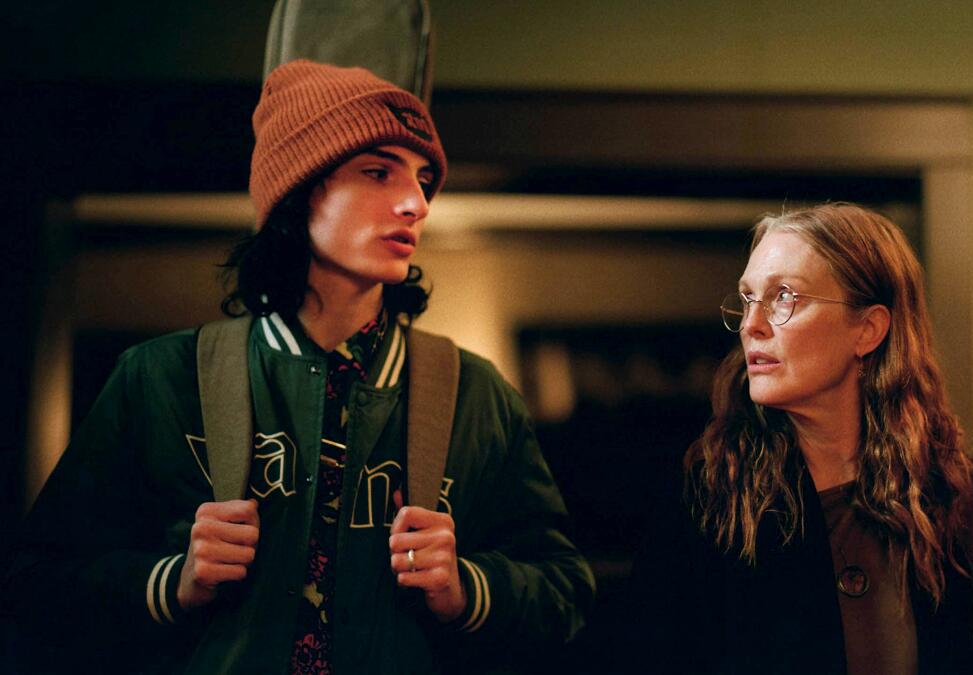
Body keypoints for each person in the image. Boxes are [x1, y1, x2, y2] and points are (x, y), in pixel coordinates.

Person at [4, 60, 594, 674]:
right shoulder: (157, 378)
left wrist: (469, 589)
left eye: (422, 180)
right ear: (299, 188)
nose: (417, 202)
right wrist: (171, 581)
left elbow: (566, 596)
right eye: (377, 172)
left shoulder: (477, 394)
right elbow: (35, 586)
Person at [630, 203, 973, 674]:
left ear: (867, 330)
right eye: (748, 299)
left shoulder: (971, 500)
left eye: (784, 296)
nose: (751, 325)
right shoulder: (709, 500)